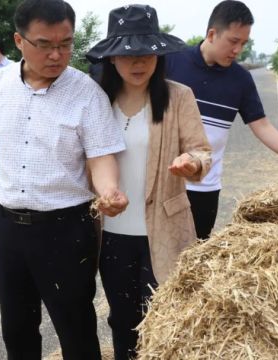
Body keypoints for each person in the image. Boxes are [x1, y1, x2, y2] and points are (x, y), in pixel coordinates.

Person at [0, 0, 128, 359]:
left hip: (67, 229)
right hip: (9, 227)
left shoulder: (86, 93)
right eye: (45, 44)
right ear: (19, 41)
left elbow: (101, 158)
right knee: (16, 327)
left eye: (66, 44)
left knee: (76, 329)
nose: (57, 54)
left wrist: (109, 190)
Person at [86, 5, 211, 359]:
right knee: (123, 319)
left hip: (166, 228)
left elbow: (202, 150)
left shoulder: (177, 96)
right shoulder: (97, 101)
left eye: (146, 54)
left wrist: (191, 163)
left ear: (158, 55)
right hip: (111, 232)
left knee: (165, 317)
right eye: (127, 56)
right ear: (111, 59)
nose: (138, 63)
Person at [165, 0, 278, 239]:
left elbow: (261, 125)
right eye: (233, 41)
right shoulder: (172, 63)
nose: (238, 50)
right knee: (157, 262)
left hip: (205, 189)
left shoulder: (240, 80)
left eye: (243, 43)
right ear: (212, 34)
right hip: (166, 184)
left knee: (192, 260)